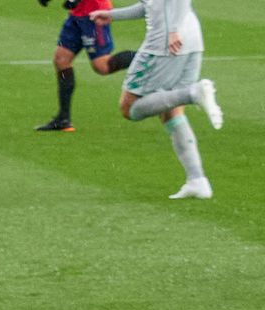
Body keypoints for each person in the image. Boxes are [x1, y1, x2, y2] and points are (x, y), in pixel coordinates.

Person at [92, 1, 222, 198]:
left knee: (129, 107)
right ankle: (197, 180)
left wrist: (173, 30)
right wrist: (113, 15)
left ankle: (193, 93)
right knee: (170, 108)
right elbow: (151, 4)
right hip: (191, 37)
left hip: (165, 41)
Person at [34, 0, 136, 132]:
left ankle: (148, 57)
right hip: (77, 14)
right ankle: (63, 119)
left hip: (95, 13)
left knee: (102, 65)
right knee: (61, 60)